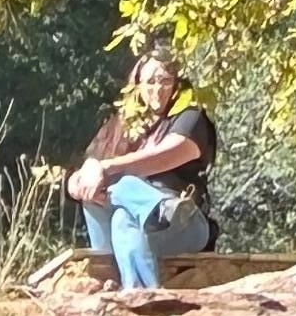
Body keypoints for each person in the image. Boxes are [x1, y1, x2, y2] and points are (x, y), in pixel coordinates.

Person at [67, 53, 219, 292]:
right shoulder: (122, 125)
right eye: (150, 81)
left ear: (177, 85)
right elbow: (78, 178)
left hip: (183, 223)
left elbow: (166, 155)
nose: (157, 89)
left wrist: (105, 169)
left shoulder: (190, 117)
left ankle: (162, 207)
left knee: (124, 186)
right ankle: (139, 293)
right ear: (137, 85)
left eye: (165, 81)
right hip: (133, 229)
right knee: (121, 218)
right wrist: (83, 182)